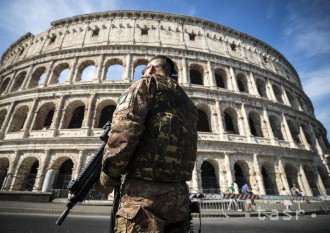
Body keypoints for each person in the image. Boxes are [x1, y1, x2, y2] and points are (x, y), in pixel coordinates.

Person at [97, 55, 199, 233]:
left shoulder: (146, 85)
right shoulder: (188, 104)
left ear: (150, 70)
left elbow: (123, 134)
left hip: (144, 197)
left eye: (144, 71)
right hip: (180, 198)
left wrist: (107, 178)